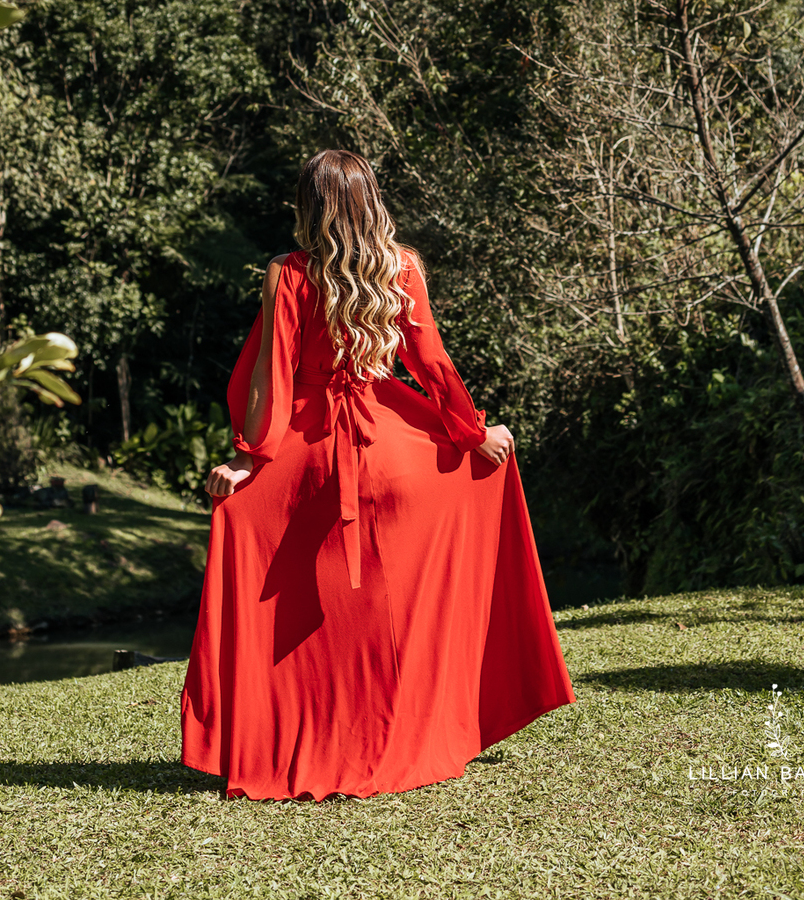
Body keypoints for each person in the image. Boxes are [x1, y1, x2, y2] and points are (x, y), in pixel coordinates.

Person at [180, 149, 575, 801]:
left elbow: (272, 376)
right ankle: (407, 729)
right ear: (372, 200)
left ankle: (310, 736)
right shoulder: (401, 267)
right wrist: (474, 436)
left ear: (308, 206)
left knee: (313, 608)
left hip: (309, 449)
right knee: (398, 604)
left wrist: (248, 459)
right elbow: (431, 364)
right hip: (394, 444)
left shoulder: (288, 273)